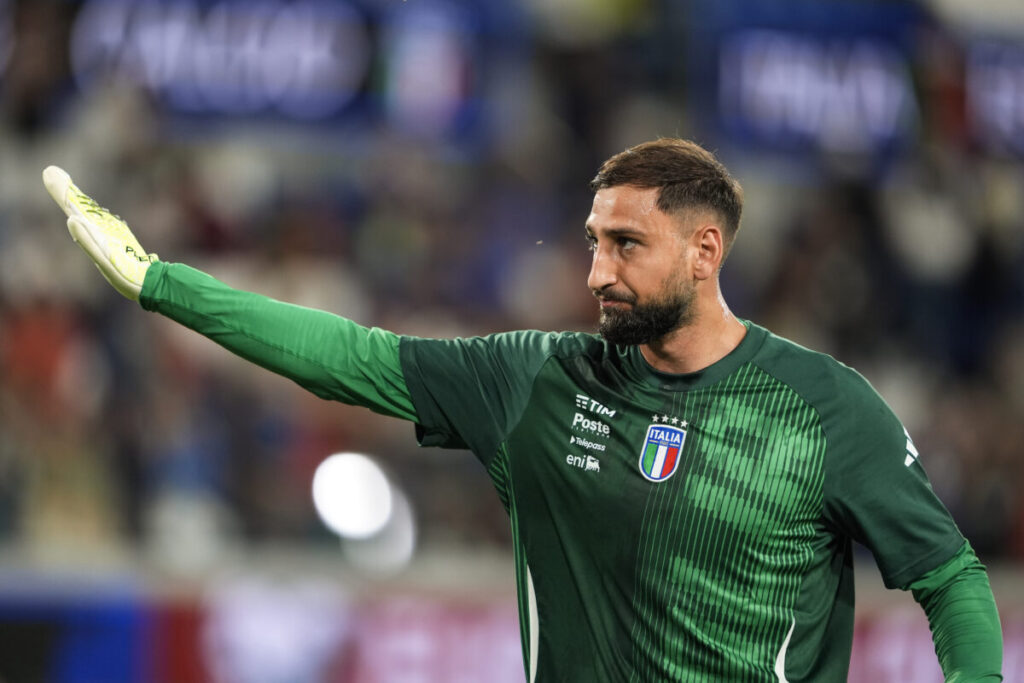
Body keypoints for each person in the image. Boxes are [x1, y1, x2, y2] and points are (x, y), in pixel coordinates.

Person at [42, 138, 1003, 682]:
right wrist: (164, 285)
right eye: (593, 241)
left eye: (626, 245)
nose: (597, 272)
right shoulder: (535, 379)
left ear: (705, 252)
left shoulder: (825, 408)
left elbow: (950, 576)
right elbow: (348, 357)